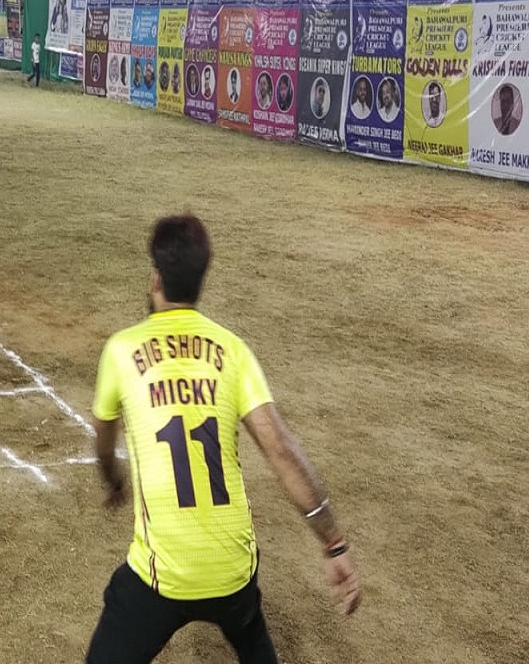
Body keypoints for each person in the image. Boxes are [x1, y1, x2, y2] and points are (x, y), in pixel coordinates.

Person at [87, 214, 362, 663]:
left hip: (162, 576)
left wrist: (113, 480)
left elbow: (103, 440)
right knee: (248, 630)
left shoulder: (121, 349)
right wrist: (334, 543)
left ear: (155, 277)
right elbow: (282, 451)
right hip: (233, 573)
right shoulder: (234, 351)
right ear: (200, 281)